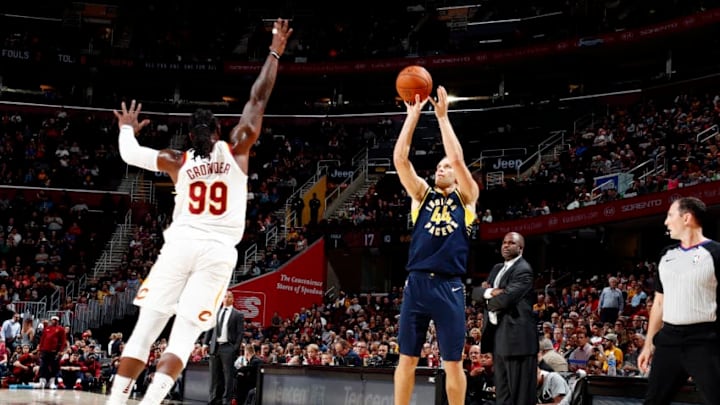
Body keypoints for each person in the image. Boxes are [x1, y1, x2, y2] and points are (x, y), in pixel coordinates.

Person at [105, 18, 292, 405]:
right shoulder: (238, 148)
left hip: (180, 245)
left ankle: (115, 402)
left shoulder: (177, 159)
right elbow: (258, 99)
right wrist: (275, 50)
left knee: (145, 330)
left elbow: (129, 154)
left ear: (190, 137)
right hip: (218, 251)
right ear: (221, 132)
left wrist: (126, 127)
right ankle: (151, 402)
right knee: (185, 336)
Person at [392, 87, 480, 405]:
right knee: (407, 359)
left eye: (446, 168)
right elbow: (400, 159)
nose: (441, 169)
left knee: (452, 362)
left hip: (449, 286)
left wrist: (442, 118)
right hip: (416, 282)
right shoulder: (421, 196)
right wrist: (411, 118)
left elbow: (456, 158)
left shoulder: (467, 197)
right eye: (438, 167)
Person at [638, 196, 720, 405]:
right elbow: (658, 304)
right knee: (653, 401)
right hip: (669, 340)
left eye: (670, 215)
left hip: (705, 340)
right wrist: (648, 345)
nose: (666, 222)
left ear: (687, 218)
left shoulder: (715, 253)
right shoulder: (666, 255)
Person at [472, 232, 537, 405]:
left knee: (520, 397)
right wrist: (489, 292)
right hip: (498, 338)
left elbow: (505, 299)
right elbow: (475, 293)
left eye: (511, 243)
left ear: (520, 248)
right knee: (503, 396)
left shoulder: (523, 269)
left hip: (518, 342)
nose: (506, 245)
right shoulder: (496, 268)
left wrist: (489, 297)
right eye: (504, 242)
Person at [203, 290, 245, 405]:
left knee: (228, 377)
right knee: (214, 377)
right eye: (225, 296)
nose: (226, 298)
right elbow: (210, 328)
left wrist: (234, 348)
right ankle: (213, 400)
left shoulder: (238, 314)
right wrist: (205, 343)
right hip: (214, 347)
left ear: (233, 299)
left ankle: (226, 401)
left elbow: (240, 333)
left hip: (228, 347)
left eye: (229, 297)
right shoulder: (216, 312)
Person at [37, 315, 66, 389]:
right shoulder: (47, 329)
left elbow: (63, 341)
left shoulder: (61, 329)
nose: (54, 321)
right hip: (45, 351)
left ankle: (51, 382)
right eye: (53, 319)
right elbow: (42, 340)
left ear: (58, 321)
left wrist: (60, 351)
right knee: (43, 366)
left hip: (54, 352)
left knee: (54, 367)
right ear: (51, 320)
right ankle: (41, 382)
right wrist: (40, 349)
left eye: (56, 320)